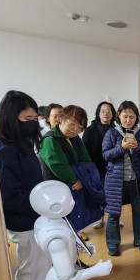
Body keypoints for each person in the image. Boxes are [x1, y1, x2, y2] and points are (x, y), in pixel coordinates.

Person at [0, 90, 53, 280]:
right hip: (23, 220)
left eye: (34, 119)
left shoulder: (24, 144)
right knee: (31, 270)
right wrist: (40, 204)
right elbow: (9, 195)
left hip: (36, 216)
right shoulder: (6, 150)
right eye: (27, 119)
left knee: (44, 264)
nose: (33, 123)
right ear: (11, 118)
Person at [39, 105, 101, 245]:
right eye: (72, 124)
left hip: (73, 187)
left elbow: (86, 159)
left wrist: (84, 178)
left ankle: (74, 253)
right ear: (61, 119)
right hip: (56, 189)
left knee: (73, 224)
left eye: (79, 127)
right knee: (62, 227)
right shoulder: (50, 140)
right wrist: (75, 179)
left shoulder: (74, 138)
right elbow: (59, 166)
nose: (75, 130)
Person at [102, 100, 140, 256]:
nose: (128, 120)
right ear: (119, 116)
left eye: (132, 117)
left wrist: (137, 147)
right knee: (113, 214)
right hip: (115, 181)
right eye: (125, 116)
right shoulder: (112, 133)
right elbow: (106, 155)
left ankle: (139, 240)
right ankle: (113, 244)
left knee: (137, 211)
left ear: (136, 117)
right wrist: (121, 148)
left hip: (136, 179)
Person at [82, 101, 117, 229]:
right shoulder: (90, 130)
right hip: (95, 169)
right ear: (98, 113)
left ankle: (114, 218)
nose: (105, 114)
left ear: (113, 114)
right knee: (98, 194)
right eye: (103, 111)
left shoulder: (117, 130)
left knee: (113, 195)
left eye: (108, 111)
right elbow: (84, 150)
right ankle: (99, 218)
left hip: (113, 169)